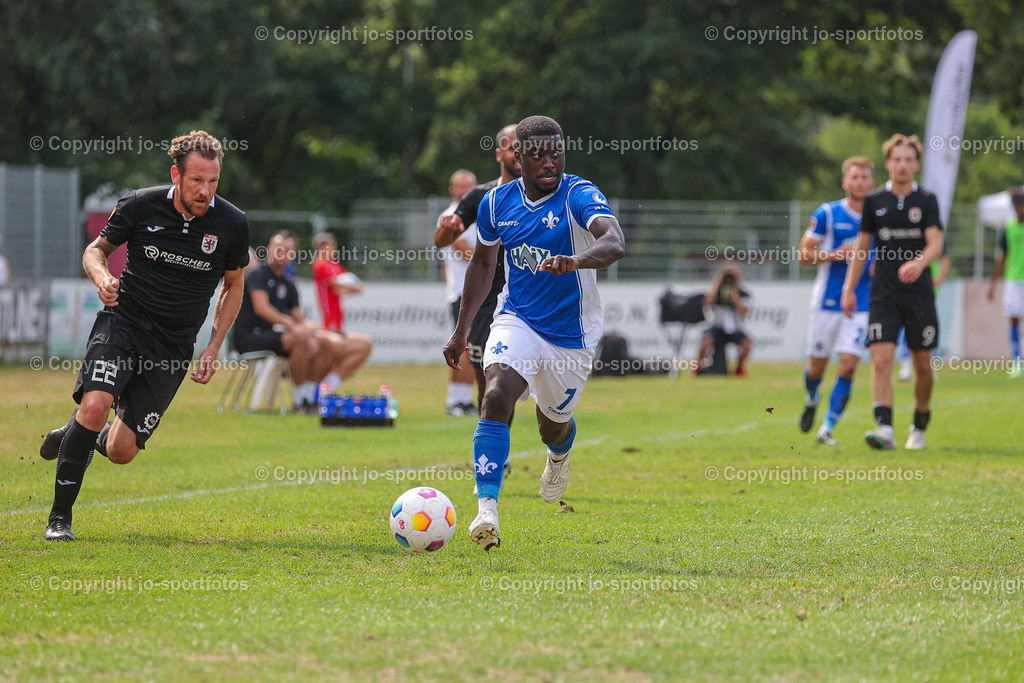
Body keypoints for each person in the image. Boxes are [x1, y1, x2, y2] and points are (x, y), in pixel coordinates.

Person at [37, 130, 250, 541]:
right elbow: (94, 251)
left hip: (172, 346)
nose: (205, 191)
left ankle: (74, 433)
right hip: (124, 323)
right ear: (176, 174)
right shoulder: (140, 204)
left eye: (213, 182)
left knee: (120, 452)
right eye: (196, 181)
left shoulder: (232, 223)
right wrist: (101, 277)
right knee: (97, 404)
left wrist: (214, 345)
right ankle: (59, 519)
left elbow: (234, 284)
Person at [443, 115, 625, 551]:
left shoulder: (578, 194)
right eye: (539, 154)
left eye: (556, 152)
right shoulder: (494, 203)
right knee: (495, 392)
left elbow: (614, 241)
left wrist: (575, 260)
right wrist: (461, 330)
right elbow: (484, 265)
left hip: (571, 335)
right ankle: (487, 509)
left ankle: (559, 456)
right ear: (517, 157)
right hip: (517, 318)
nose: (550, 162)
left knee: (551, 427)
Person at [841, 134, 943, 450]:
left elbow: (936, 242)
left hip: (919, 295)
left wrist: (920, 262)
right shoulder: (874, 201)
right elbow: (862, 247)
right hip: (883, 294)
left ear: (916, 164)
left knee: (922, 365)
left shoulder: (926, 200)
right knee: (881, 360)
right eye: (896, 159)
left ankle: (920, 423)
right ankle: (884, 427)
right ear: (888, 163)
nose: (902, 165)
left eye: (908, 160)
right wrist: (849, 288)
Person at [437, 125, 523, 412]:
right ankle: (495, 452)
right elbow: (441, 241)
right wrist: (449, 229)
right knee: (490, 383)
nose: (518, 152)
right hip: (488, 303)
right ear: (499, 153)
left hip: (531, 298)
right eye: (512, 146)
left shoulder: (547, 194)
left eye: (524, 145)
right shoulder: (481, 195)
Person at [233, 231, 369, 412]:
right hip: (250, 338)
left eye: (288, 250)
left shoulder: (289, 284)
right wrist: (295, 328)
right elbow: (262, 308)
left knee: (325, 342)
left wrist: (316, 331)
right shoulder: (257, 274)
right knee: (299, 340)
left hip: (275, 336)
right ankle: (299, 401)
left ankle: (311, 396)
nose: (283, 254)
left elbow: (299, 319)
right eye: (279, 249)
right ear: (268, 249)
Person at [797, 156, 875, 445]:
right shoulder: (828, 214)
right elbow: (803, 255)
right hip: (827, 302)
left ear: (872, 182)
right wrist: (834, 254)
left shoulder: (879, 216)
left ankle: (827, 428)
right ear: (845, 181)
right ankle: (812, 397)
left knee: (848, 366)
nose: (859, 183)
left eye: (864, 177)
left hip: (861, 303)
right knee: (816, 367)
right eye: (854, 177)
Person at [434, 169, 478, 416]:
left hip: (472, 291)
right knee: (462, 347)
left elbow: (445, 264)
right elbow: (465, 252)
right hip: (463, 292)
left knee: (474, 348)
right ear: (452, 190)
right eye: (459, 186)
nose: (463, 191)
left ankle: (464, 400)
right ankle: (454, 401)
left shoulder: (476, 215)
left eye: (468, 186)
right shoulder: (450, 216)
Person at [311, 231, 373, 390]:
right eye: (326, 247)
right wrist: (351, 287)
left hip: (338, 316)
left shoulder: (334, 264)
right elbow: (339, 285)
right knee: (333, 350)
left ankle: (328, 385)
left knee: (345, 349)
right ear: (320, 248)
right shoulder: (320, 265)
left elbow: (352, 284)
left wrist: (354, 287)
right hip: (328, 317)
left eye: (332, 247)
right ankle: (319, 387)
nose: (330, 250)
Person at [986, 186, 1024, 378]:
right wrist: (993, 283)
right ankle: (1017, 361)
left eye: (1021, 205)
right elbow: (1003, 257)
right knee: (1014, 319)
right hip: (1013, 280)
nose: (1019, 209)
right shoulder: (1008, 227)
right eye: (1016, 205)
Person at [897, 245, 950, 380]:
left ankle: (931, 365)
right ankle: (906, 365)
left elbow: (944, 258)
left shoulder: (932, 235)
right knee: (907, 327)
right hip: (906, 289)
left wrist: (939, 278)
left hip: (928, 291)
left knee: (928, 330)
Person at [694, 265, 753, 376]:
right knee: (706, 340)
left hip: (734, 329)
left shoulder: (743, 293)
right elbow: (707, 303)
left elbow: (745, 311)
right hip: (717, 327)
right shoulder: (715, 291)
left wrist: (734, 298)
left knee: (747, 344)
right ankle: (698, 367)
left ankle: (739, 368)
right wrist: (718, 282)